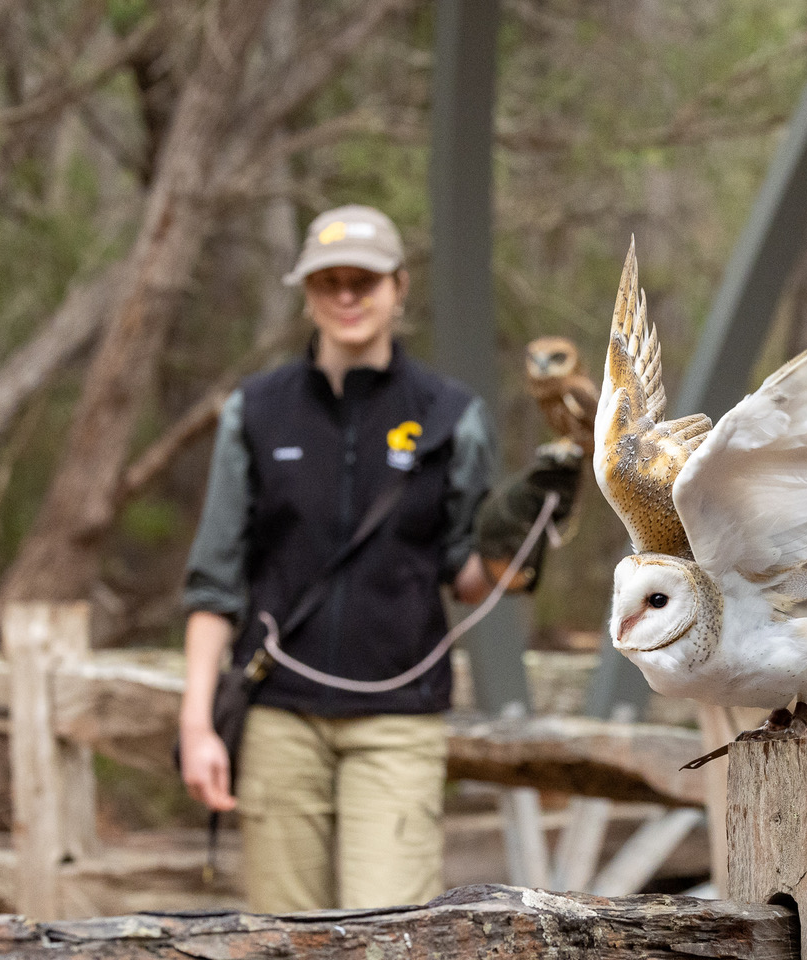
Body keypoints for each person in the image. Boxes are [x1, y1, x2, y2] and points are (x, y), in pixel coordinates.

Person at [178, 204, 574, 911]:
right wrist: (197, 724)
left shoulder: (452, 414)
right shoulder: (256, 411)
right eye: (328, 281)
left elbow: (474, 577)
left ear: (397, 288)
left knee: (390, 936)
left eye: (362, 280)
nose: (346, 297)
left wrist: (526, 531)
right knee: (284, 941)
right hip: (278, 717)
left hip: (398, 721)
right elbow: (214, 585)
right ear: (307, 294)